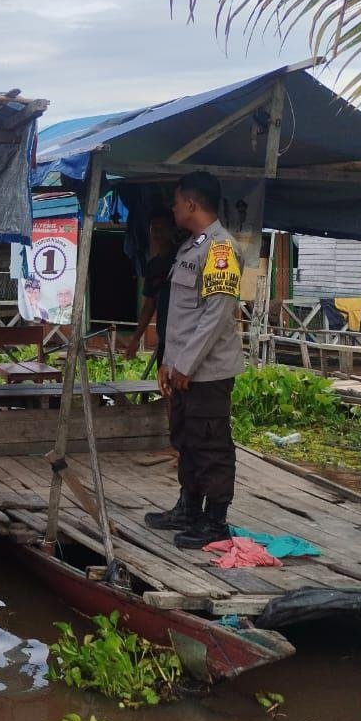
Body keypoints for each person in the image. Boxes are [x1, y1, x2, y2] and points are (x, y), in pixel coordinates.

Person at [144, 172, 245, 549]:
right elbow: (180, 316)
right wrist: (168, 364)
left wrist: (185, 365)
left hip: (207, 372)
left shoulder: (220, 249)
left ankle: (215, 521)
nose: (172, 209)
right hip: (183, 369)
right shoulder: (191, 247)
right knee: (185, 439)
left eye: (176, 202)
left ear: (190, 204)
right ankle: (189, 508)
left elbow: (216, 315)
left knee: (210, 444)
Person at [123, 210, 177, 366]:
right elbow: (149, 304)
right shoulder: (153, 265)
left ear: (172, 230)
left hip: (185, 341)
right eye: (154, 228)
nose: (158, 233)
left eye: (163, 228)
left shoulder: (183, 258)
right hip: (164, 340)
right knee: (164, 380)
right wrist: (136, 338)